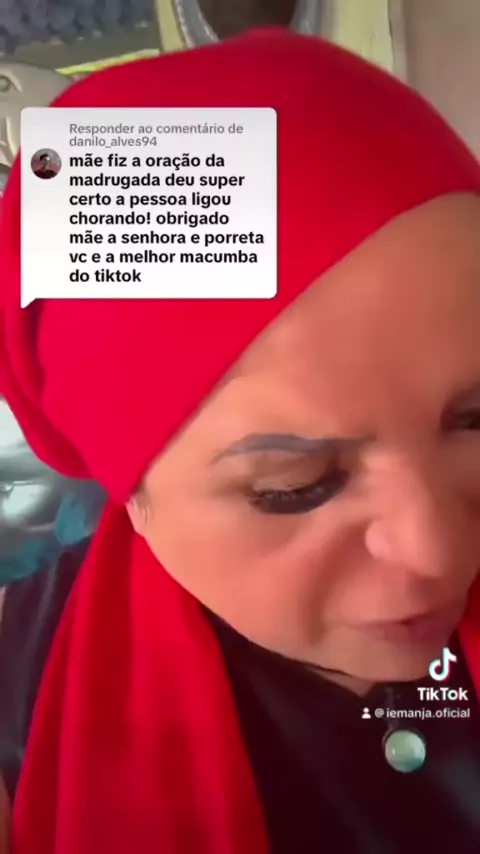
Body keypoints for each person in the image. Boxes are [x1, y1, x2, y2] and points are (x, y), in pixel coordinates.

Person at [1, 28, 480, 854]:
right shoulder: (20, 699)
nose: (436, 550)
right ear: (131, 490)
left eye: (476, 420)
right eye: (295, 485)